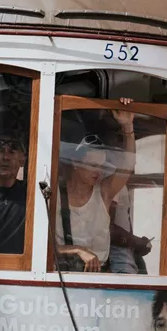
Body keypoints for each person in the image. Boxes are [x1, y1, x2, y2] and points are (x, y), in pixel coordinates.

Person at [54, 108, 135, 271]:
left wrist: (128, 128)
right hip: (61, 277)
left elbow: (128, 166)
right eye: (92, 165)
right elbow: (41, 247)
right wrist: (77, 250)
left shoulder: (104, 191)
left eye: (101, 166)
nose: (98, 171)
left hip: (98, 276)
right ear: (76, 163)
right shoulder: (54, 194)